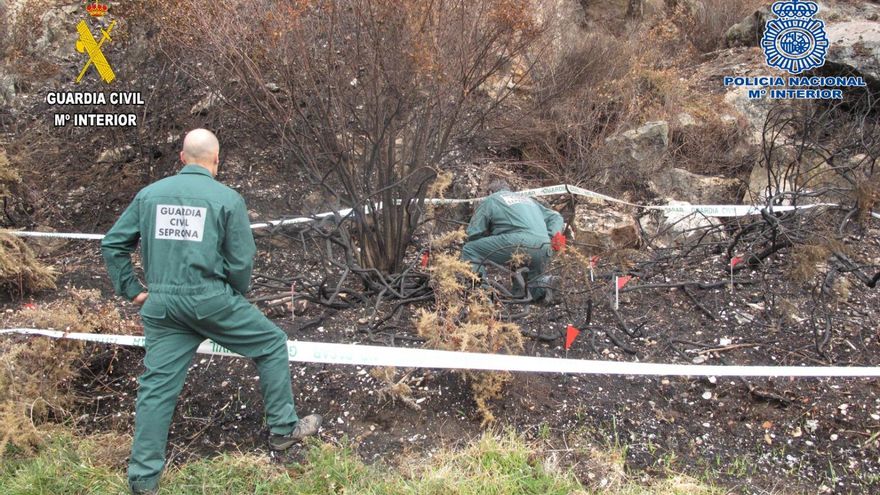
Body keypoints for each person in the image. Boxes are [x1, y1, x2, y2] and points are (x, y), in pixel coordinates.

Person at [101, 129, 321, 495]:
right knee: (270, 343)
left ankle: (142, 480)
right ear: (216, 161)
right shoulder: (226, 199)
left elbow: (113, 245)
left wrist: (133, 290)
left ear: (182, 157)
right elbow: (241, 260)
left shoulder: (149, 196)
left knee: (156, 388)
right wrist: (233, 294)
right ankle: (283, 430)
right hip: (210, 300)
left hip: (162, 306)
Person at [461, 179, 564, 301]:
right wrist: (551, 236)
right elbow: (556, 216)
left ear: (490, 191)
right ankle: (546, 286)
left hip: (517, 243)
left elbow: (474, 233)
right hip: (544, 246)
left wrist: (488, 240)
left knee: (470, 249)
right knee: (525, 289)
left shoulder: (492, 199)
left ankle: (480, 295)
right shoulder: (528, 200)